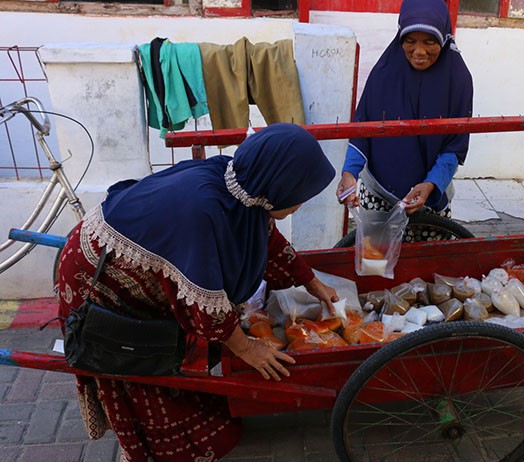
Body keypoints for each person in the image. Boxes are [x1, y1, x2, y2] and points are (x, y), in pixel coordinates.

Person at [55, 123, 338, 462]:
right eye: (298, 195)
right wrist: (247, 348)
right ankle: (154, 446)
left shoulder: (241, 187)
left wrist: (310, 281)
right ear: (275, 184)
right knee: (139, 354)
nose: (299, 205)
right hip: (100, 279)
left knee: (174, 353)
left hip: (128, 260)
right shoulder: (204, 212)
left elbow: (266, 237)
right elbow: (209, 309)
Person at [335, 0, 474, 239]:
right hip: (379, 196)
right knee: (376, 267)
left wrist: (431, 184)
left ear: (443, 36)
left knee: (426, 269)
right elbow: (363, 129)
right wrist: (349, 172)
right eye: (410, 41)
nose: (419, 51)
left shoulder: (458, 80)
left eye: (429, 42)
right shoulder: (384, 73)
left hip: (429, 199)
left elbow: (455, 145)